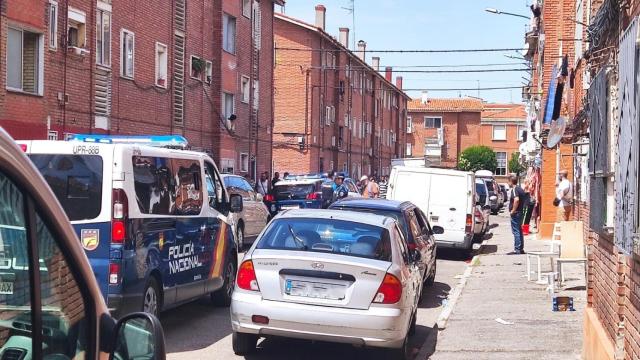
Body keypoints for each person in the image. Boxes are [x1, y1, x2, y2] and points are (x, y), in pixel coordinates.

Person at [507, 175, 526, 255]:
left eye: (508, 181)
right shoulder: (520, 189)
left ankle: (517, 249)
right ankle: (520, 248)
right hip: (520, 212)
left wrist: (513, 210)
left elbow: (516, 200)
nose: (508, 183)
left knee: (516, 231)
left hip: (516, 213)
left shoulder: (515, 189)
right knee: (519, 230)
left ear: (511, 181)